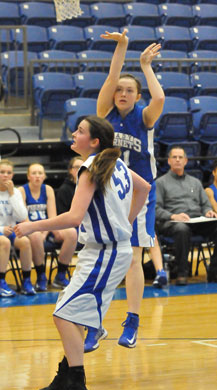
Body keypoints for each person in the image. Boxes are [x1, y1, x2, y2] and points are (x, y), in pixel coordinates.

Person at [14, 115, 151, 390]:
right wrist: (126, 221)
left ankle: (78, 388)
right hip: (105, 250)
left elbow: (74, 218)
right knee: (69, 311)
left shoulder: (90, 168)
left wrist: (33, 226)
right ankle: (67, 374)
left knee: (63, 316)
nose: (73, 134)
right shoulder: (117, 164)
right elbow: (145, 189)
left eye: (80, 131)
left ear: (95, 141)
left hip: (106, 252)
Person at [84, 29, 166, 351]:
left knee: (133, 259)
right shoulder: (104, 117)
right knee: (102, 258)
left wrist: (146, 65)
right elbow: (110, 78)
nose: (122, 92)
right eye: (119, 89)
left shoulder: (144, 117)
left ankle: (132, 322)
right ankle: (95, 323)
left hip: (138, 196)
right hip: (107, 194)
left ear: (136, 95)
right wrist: (123, 47)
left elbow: (159, 98)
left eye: (129, 90)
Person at [155, 146, 217, 285]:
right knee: (182, 229)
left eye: (180, 157)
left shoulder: (195, 182)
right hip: (173, 223)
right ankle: (181, 273)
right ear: (169, 161)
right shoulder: (160, 183)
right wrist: (173, 216)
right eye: (174, 157)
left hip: (196, 220)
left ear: (186, 161)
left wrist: (208, 211)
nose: (177, 160)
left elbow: (205, 204)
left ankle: (214, 272)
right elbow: (155, 209)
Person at [19, 163, 78, 291]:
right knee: (35, 236)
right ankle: (41, 276)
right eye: (34, 173)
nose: (37, 176)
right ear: (28, 176)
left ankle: (60, 275)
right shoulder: (22, 191)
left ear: (44, 176)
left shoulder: (48, 189)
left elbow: (52, 216)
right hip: (30, 229)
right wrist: (38, 231)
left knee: (72, 233)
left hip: (47, 228)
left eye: (40, 173)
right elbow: (24, 219)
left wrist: (45, 232)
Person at [0, 159, 35, 297]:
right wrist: (1, 229)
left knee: (25, 242)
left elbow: (22, 216)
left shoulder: (15, 192)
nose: (5, 175)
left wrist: (12, 195)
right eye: (2, 172)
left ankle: (26, 280)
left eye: (8, 173)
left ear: (12, 175)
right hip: (2, 233)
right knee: (4, 242)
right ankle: (1, 282)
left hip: (11, 231)